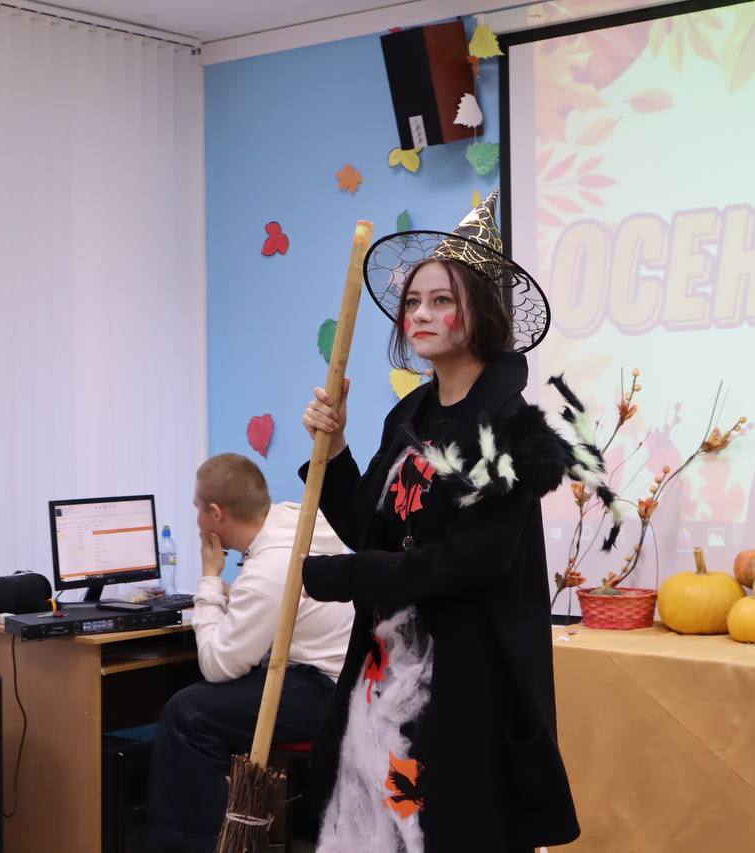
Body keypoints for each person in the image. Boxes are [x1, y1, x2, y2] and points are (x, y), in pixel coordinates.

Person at [298, 190, 592, 852]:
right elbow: (369, 526)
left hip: (464, 687)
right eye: (413, 302)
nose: (421, 315)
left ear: (478, 313)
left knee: (446, 832)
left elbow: (467, 563)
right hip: (383, 672)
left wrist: (346, 576)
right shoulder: (408, 417)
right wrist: (335, 449)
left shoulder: (513, 433)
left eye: (441, 300)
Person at [146, 453, 355, 851]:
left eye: (196, 508)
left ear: (215, 514)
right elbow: (269, 603)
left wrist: (210, 579)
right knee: (181, 684)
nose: (196, 520)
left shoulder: (267, 571)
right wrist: (232, 597)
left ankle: (195, 845)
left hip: (323, 690)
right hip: (344, 677)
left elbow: (217, 665)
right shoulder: (296, 521)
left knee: (187, 715)